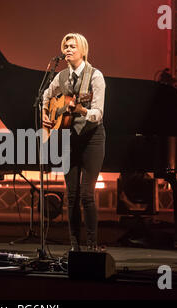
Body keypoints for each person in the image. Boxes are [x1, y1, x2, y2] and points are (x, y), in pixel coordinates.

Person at [42, 33, 106, 252]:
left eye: (72, 46)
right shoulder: (61, 77)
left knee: (87, 195)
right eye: (65, 46)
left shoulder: (95, 76)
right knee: (71, 196)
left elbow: (98, 113)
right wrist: (45, 111)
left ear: (83, 50)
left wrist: (82, 110)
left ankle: (91, 245)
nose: (68, 50)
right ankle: (74, 246)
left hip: (92, 138)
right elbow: (46, 95)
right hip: (69, 138)